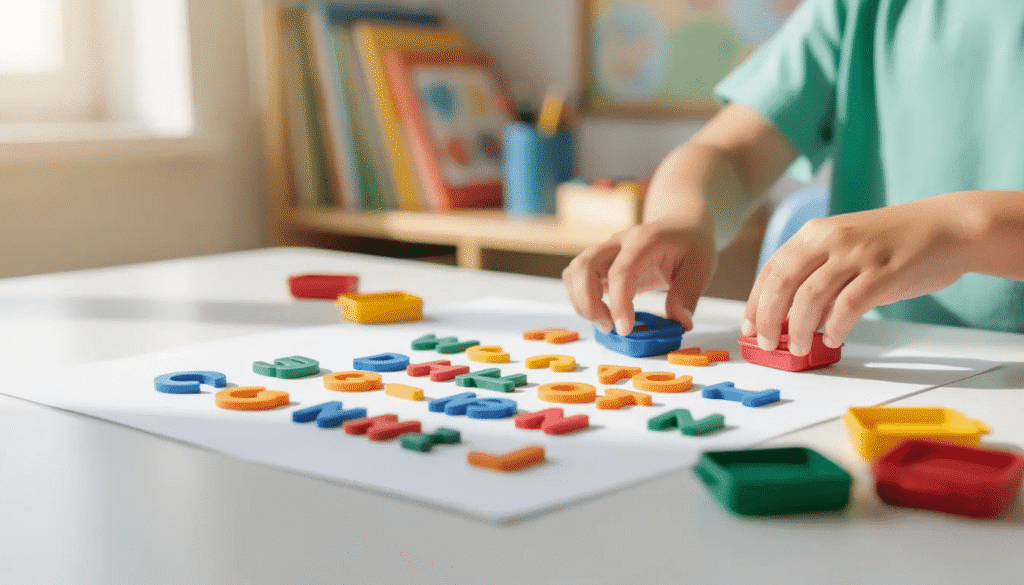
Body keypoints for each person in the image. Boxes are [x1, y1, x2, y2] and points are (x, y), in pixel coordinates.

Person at [562, 0, 1024, 358]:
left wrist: (961, 228)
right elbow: (728, 153)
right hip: (875, 356)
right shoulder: (858, 9)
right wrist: (684, 217)